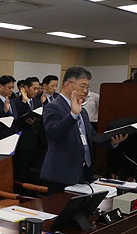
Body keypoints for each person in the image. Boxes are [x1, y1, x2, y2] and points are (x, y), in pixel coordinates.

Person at [40, 66, 127, 194]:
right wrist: (73, 116)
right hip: (62, 173)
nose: (85, 91)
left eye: (87, 87)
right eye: (82, 86)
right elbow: (54, 133)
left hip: (85, 171)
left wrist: (112, 141)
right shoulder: (53, 107)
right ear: (68, 85)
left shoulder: (83, 110)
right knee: (61, 211)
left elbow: (91, 137)